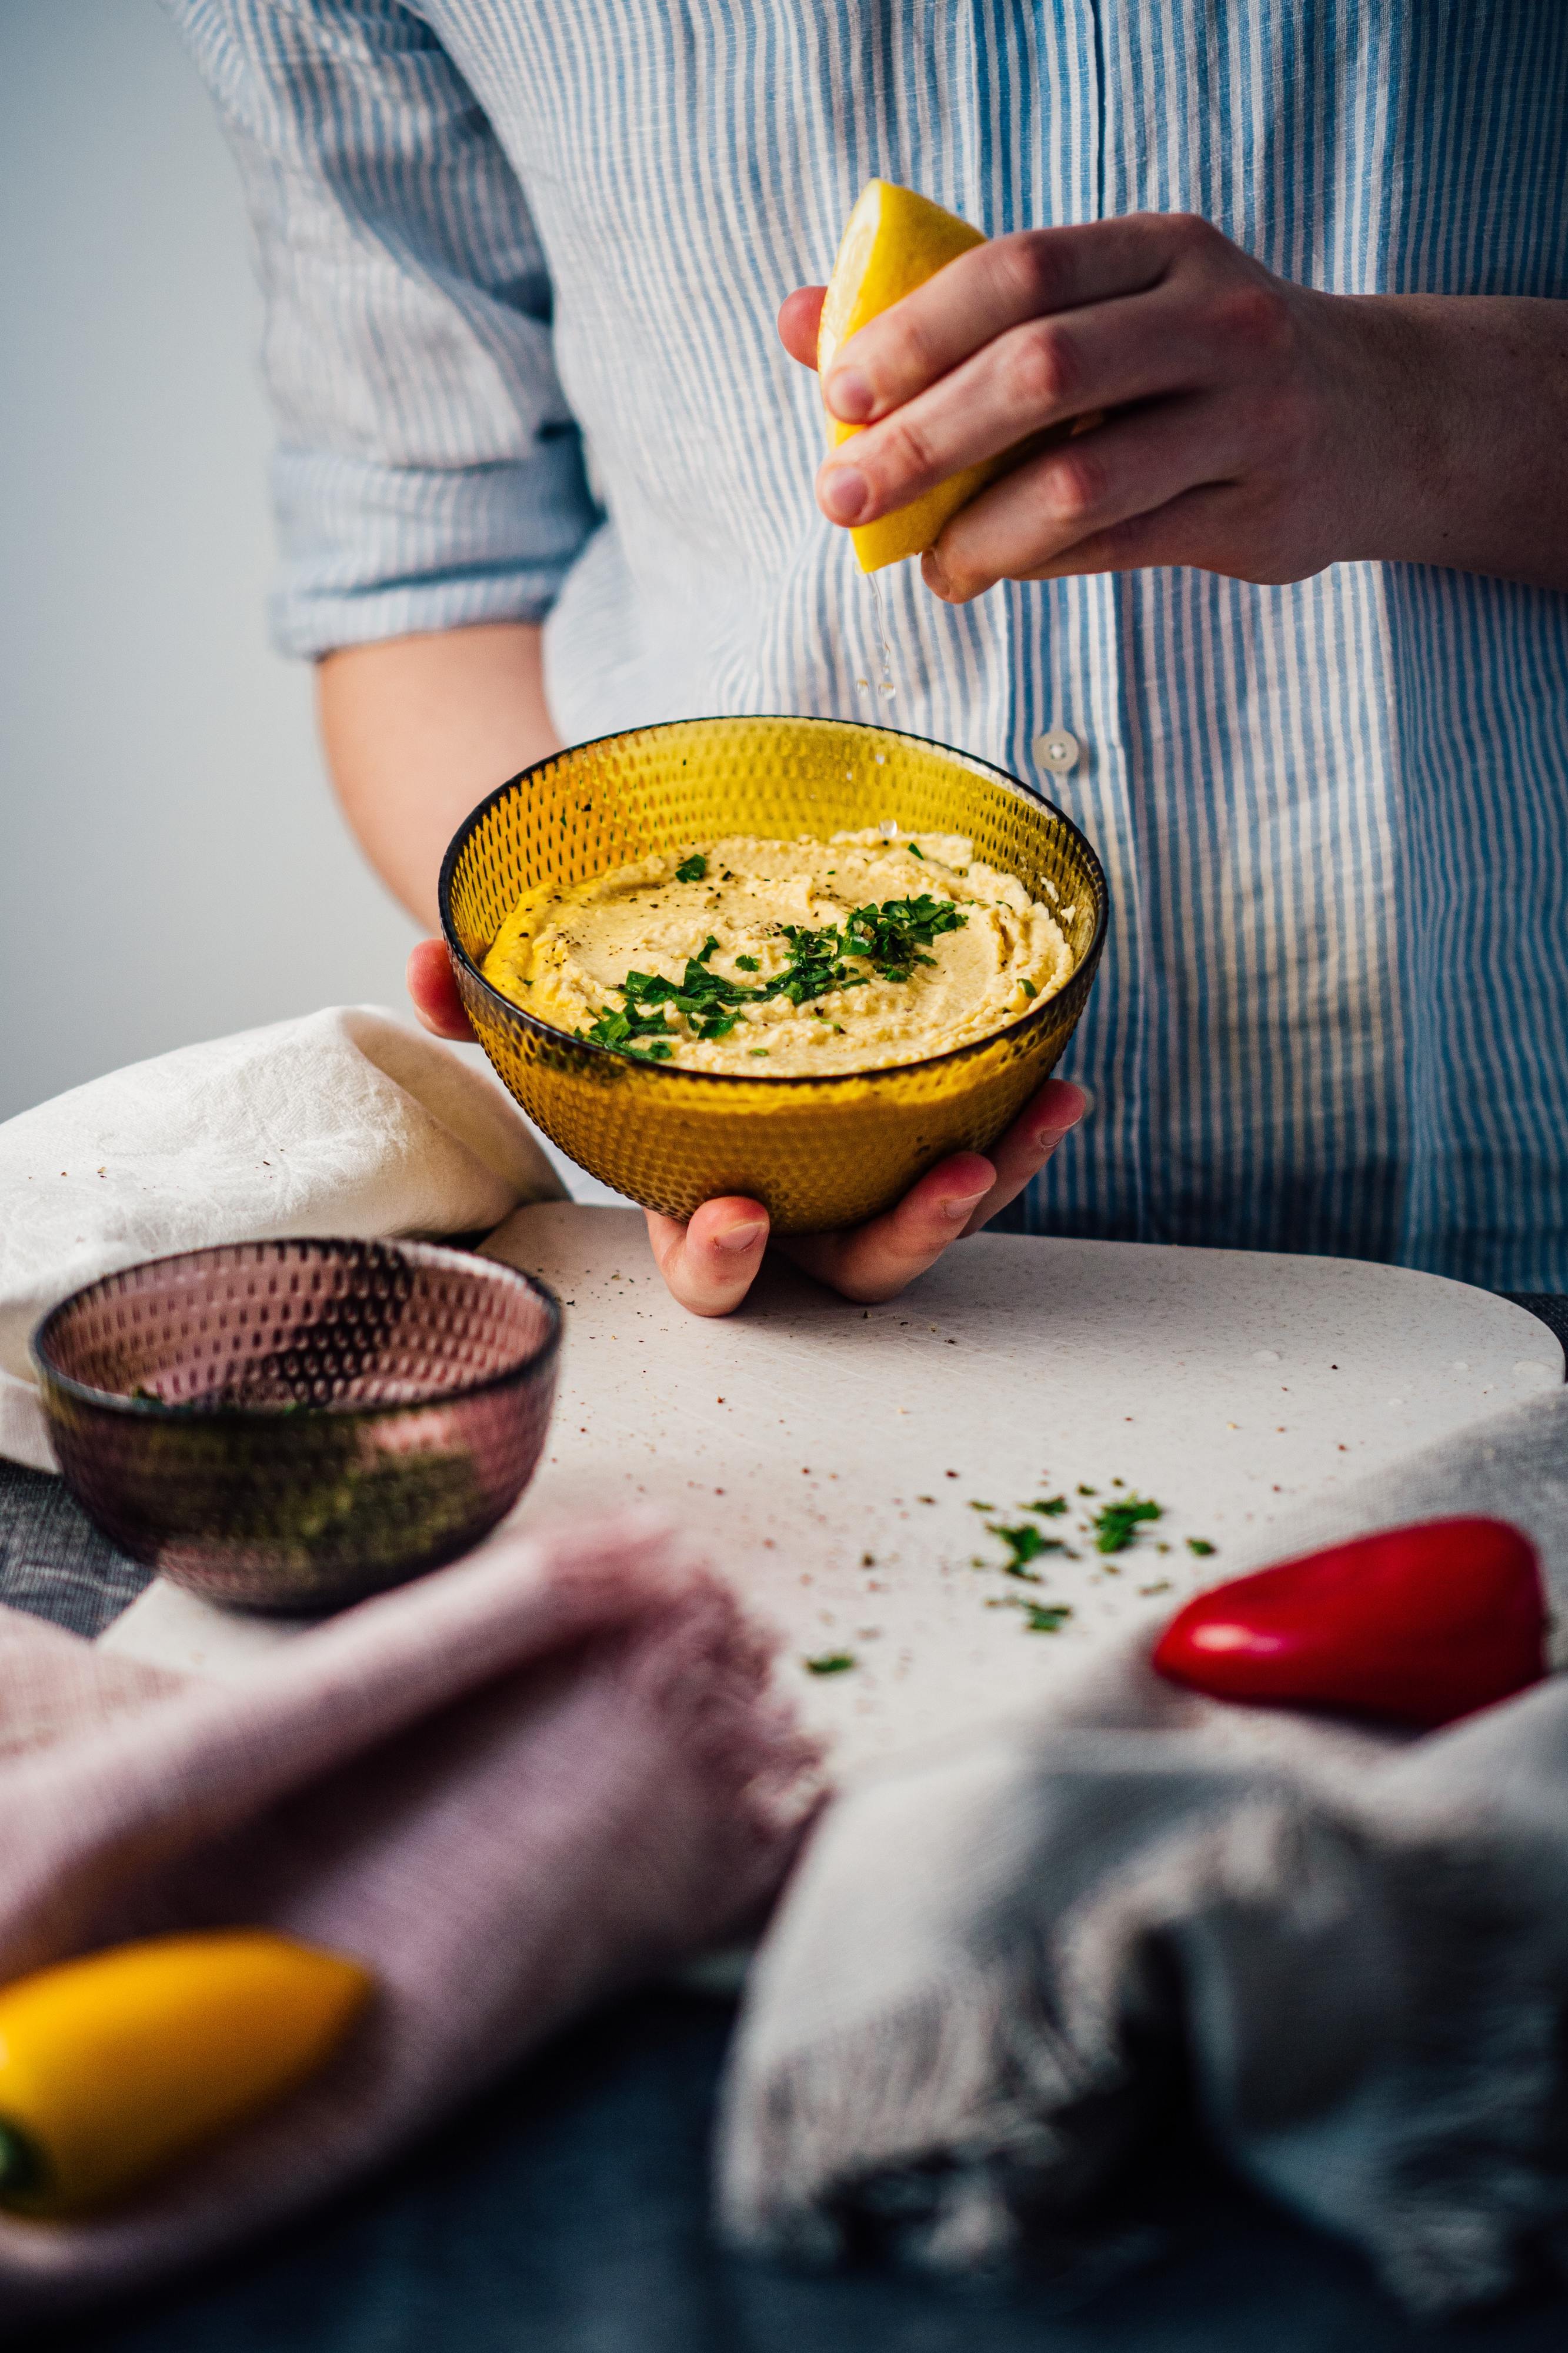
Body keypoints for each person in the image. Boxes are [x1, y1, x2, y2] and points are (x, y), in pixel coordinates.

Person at [171, 1, 1568, 1319]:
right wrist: (667, 1099)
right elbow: (426, 555)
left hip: (1517, 1197)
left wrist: (1422, 412)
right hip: (733, 1275)